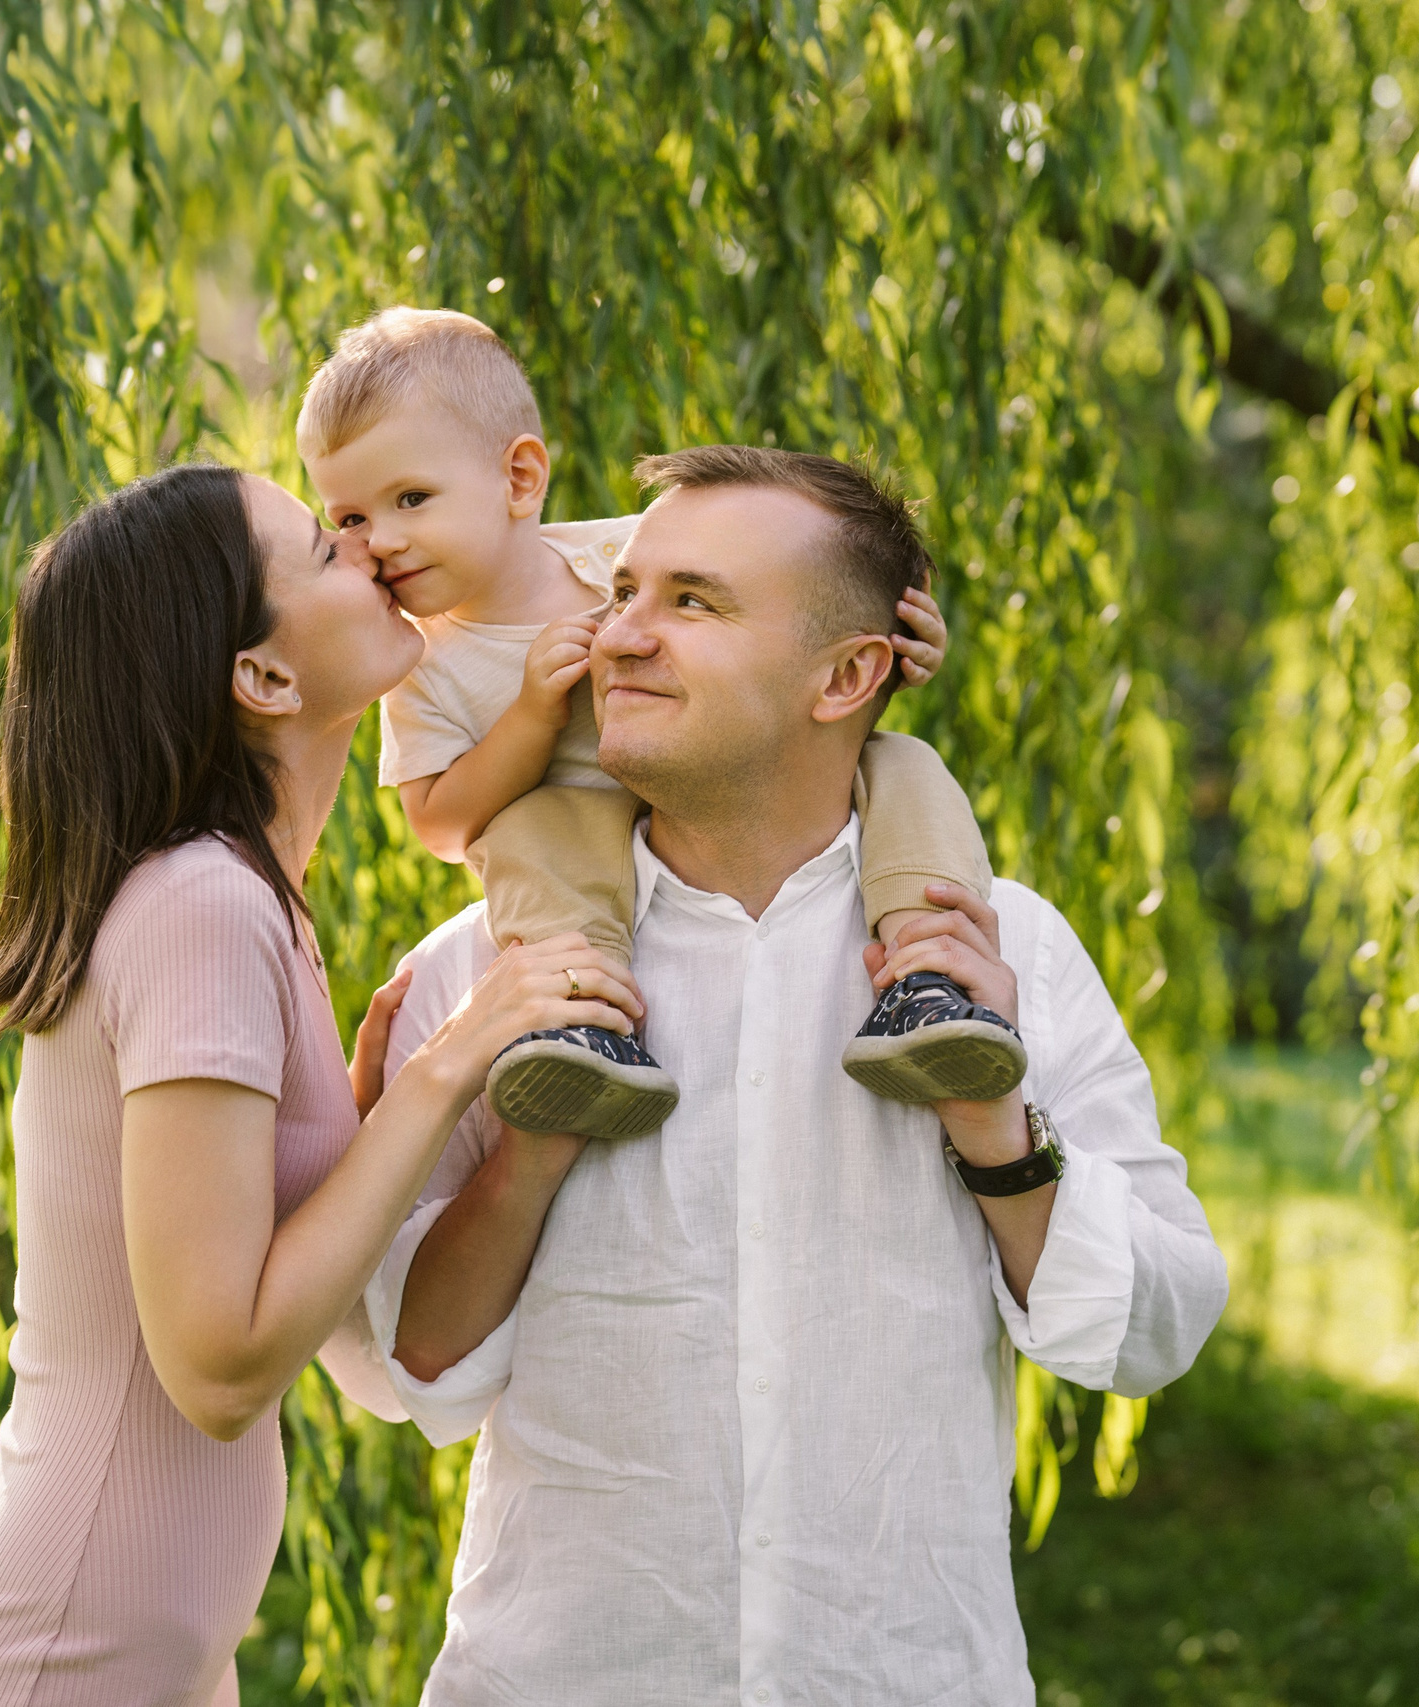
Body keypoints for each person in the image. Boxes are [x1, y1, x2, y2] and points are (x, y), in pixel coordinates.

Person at [359, 447, 1231, 1705]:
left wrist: (995, 1124)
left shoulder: (1004, 951)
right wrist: (530, 1150)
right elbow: (403, 1367)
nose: (618, 638)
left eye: (692, 604)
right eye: (625, 594)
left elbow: (1153, 1327)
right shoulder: (489, 972)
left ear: (849, 675)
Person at [0, 464, 644, 1707]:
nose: (368, 547)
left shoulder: (241, 900)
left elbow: (315, 1322)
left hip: (149, 1658)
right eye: (325, 549)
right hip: (49, 1660)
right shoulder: (202, 907)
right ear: (264, 678)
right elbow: (220, 1370)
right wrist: (451, 1065)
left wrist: (379, 1123)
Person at [299, 308, 1026, 1144]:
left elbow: (791, 609)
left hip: (718, 807)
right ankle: (585, 1016)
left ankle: (926, 970)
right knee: (530, 833)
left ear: (521, 479)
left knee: (903, 762)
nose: (380, 541)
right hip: (582, 843)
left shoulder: (625, 552)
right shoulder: (419, 660)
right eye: (349, 519)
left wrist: (894, 641)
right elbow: (440, 824)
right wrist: (534, 715)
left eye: (412, 499)